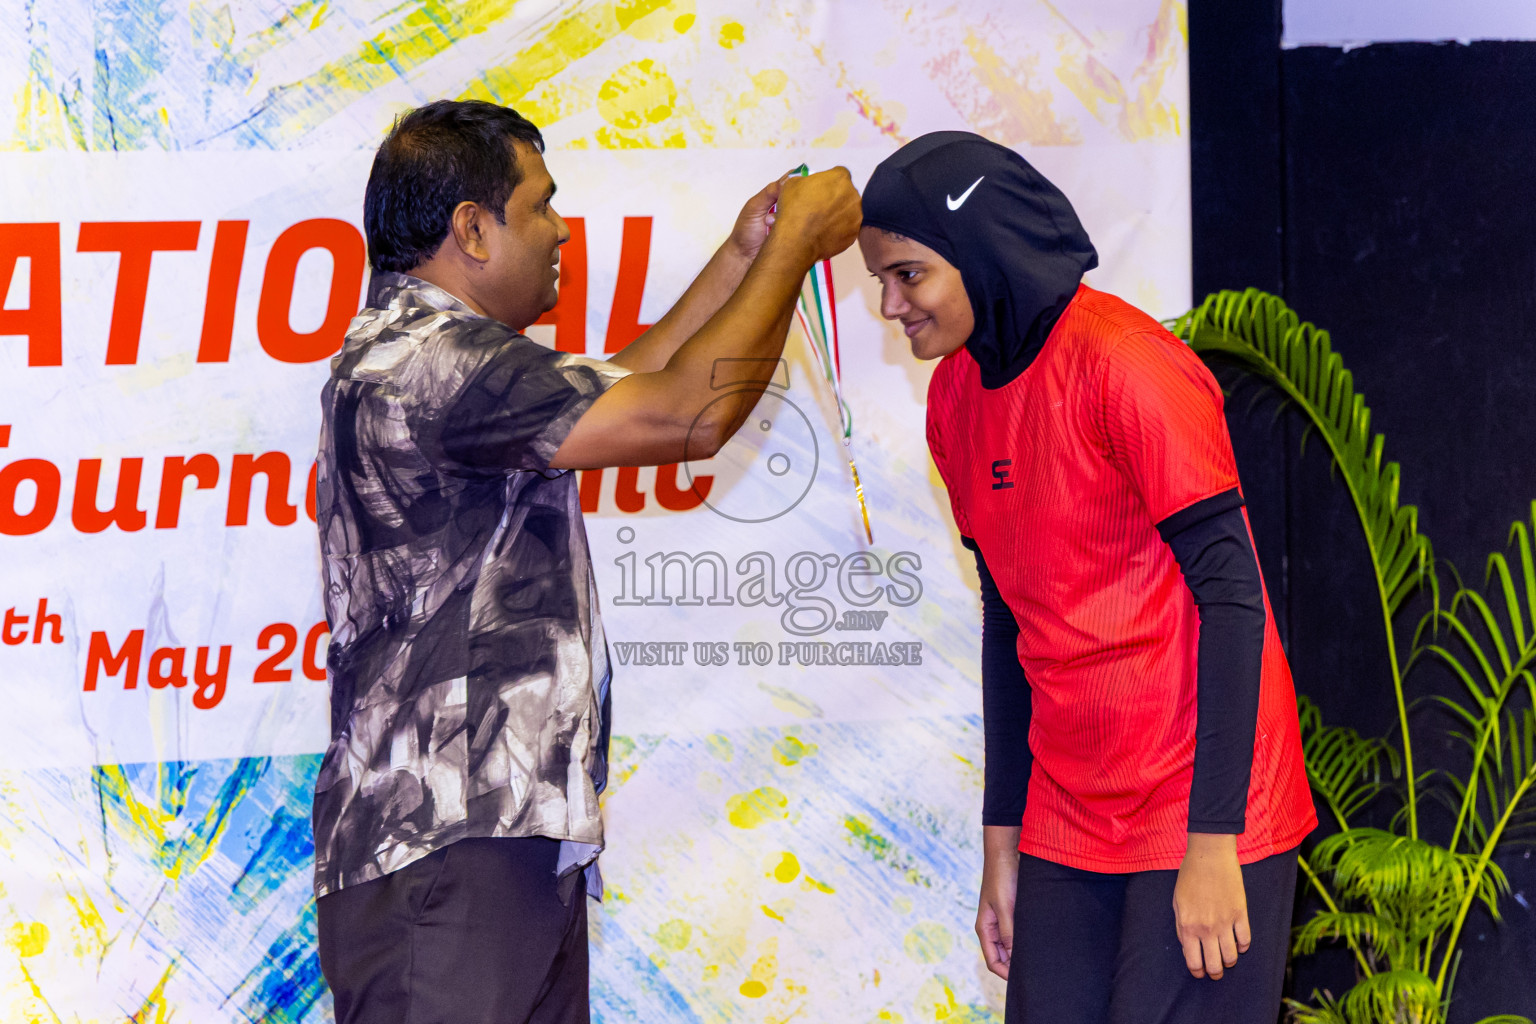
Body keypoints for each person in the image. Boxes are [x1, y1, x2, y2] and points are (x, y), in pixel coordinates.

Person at [312, 99, 860, 1024]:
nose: (562, 228)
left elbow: (633, 383)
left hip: (494, 847)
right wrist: (792, 252)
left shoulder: (447, 360)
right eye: (541, 205)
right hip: (446, 853)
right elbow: (686, 414)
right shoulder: (428, 361)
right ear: (473, 230)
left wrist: (741, 256)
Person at [858, 131, 1316, 1023]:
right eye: (880, 279)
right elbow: (1007, 623)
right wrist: (1004, 843)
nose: (888, 303)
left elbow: (1232, 599)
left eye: (907, 274)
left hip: (1203, 804)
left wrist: (1214, 843)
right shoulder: (954, 398)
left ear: (978, 252)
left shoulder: (1126, 364)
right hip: (1070, 813)